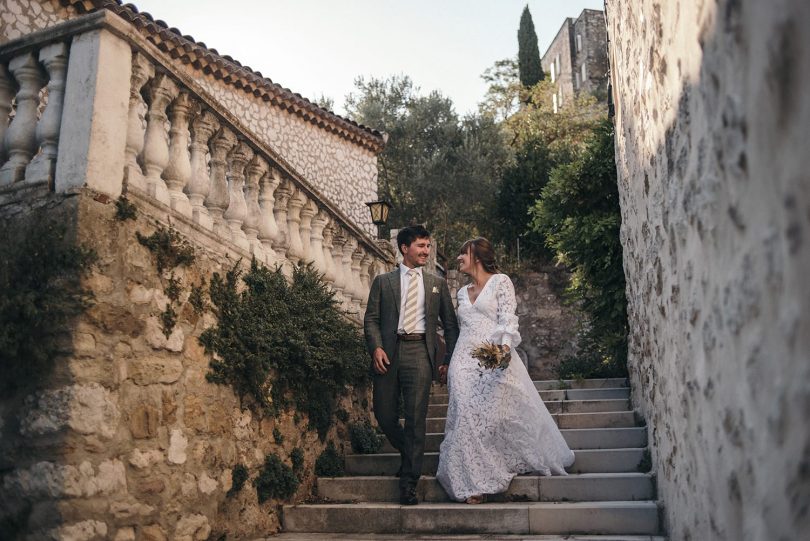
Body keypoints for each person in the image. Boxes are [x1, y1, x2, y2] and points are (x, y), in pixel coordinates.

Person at [436, 237, 575, 504]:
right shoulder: (462, 292)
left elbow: (507, 319)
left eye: (462, 253)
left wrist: (503, 350)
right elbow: (463, 327)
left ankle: (490, 467)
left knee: (491, 416)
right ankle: (471, 481)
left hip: (493, 355)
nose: (457, 259)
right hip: (463, 359)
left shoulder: (502, 282)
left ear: (476, 256)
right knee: (463, 411)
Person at [364, 225, 459, 505]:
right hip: (389, 353)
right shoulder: (384, 282)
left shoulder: (437, 284)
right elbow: (371, 319)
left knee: (416, 420)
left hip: (420, 353)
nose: (426, 252)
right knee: (383, 414)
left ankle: (409, 482)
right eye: (421, 246)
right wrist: (376, 347)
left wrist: (447, 360)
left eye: (428, 246)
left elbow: (450, 326)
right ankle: (410, 454)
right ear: (404, 248)